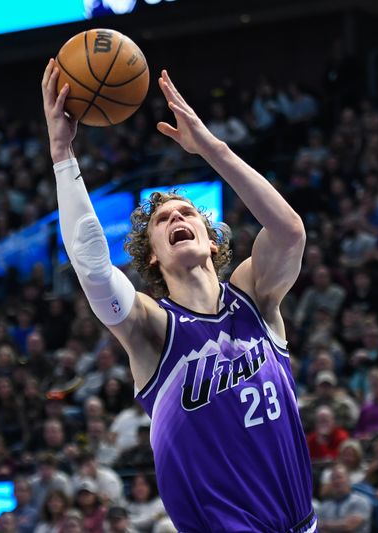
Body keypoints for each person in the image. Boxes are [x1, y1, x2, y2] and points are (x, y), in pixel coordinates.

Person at [42, 62, 315, 532]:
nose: (176, 218)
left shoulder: (255, 296)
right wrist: (63, 152)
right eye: (162, 220)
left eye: (186, 212)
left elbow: (289, 232)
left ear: (212, 240)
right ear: (152, 257)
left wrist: (211, 148)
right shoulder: (152, 329)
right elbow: (93, 267)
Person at [317, 464, 373, 533]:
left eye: (339, 477)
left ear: (349, 479)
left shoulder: (361, 501)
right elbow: (318, 529)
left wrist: (324, 525)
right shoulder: (324, 506)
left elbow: (349, 526)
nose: (336, 481)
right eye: (333, 479)